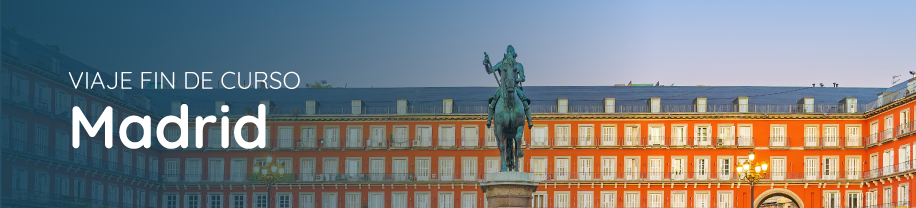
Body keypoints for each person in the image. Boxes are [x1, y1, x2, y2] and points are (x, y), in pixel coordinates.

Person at [484, 45, 532, 129]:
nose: (509, 53)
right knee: (493, 101)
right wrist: (486, 63)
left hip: (515, 87)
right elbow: (489, 70)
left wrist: (515, 81)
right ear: (506, 53)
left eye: (511, 51)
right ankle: (489, 120)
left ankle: (529, 121)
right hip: (503, 87)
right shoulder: (501, 64)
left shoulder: (518, 65)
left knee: (525, 102)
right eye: (508, 51)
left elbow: (523, 78)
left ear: (514, 54)